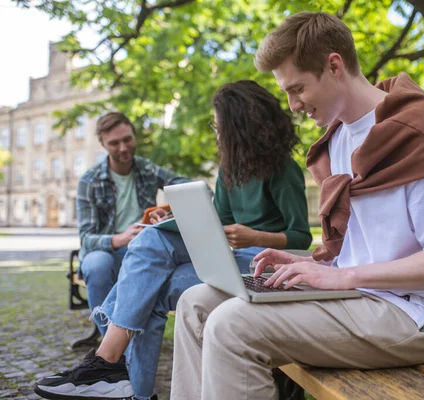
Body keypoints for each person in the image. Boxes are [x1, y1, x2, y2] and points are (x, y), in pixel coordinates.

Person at [169, 11, 424, 400]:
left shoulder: (416, 134)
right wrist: (315, 265)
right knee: (195, 302)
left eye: (298, 88)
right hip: (358, 299)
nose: (292, 105)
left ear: (334, 66)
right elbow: (364, 248)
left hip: (414, 317)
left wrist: (345, 276)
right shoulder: (338, 138)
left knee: (231, 325)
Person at [33, 81, 312, 400]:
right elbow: (218, 222)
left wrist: (254, 235)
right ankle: (113, 371)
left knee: (150, 293)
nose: (216, 132)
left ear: (240, 126)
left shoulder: (283, 169)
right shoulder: (228, 170)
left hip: (261, 264)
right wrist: (178, 222)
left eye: (218, 125)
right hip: (226, 258)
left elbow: (300, 238)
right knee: (152, 238)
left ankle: (115, 375)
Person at [76, 111, 189, 322]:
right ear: (103, 145)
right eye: (114, 143)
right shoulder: (89, 181)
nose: (123, 148)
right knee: (97, 265)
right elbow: (86, 238)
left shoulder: (146, 169)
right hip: (107, 252)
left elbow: (187, 185)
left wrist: (167, 209)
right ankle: (110, 348)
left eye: (127, 139)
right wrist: (119, 239)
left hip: (142, 249)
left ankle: (135, 338)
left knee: (160, 260)